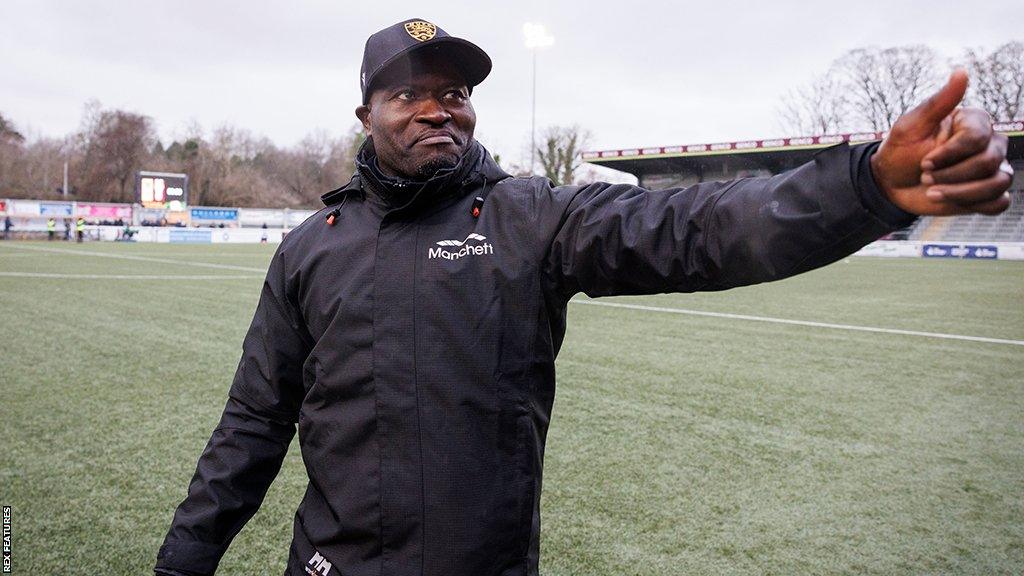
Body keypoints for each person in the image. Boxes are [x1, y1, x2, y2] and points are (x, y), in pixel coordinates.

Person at [155, 19, 1012, 576]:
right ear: (366, 113)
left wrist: (866, 185)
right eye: (407, 93)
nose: (436, 110)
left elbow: (696, 227)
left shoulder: (533, 216)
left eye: (453, 94)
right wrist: (184, 559)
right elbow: (255, 420)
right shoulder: (313, 248)